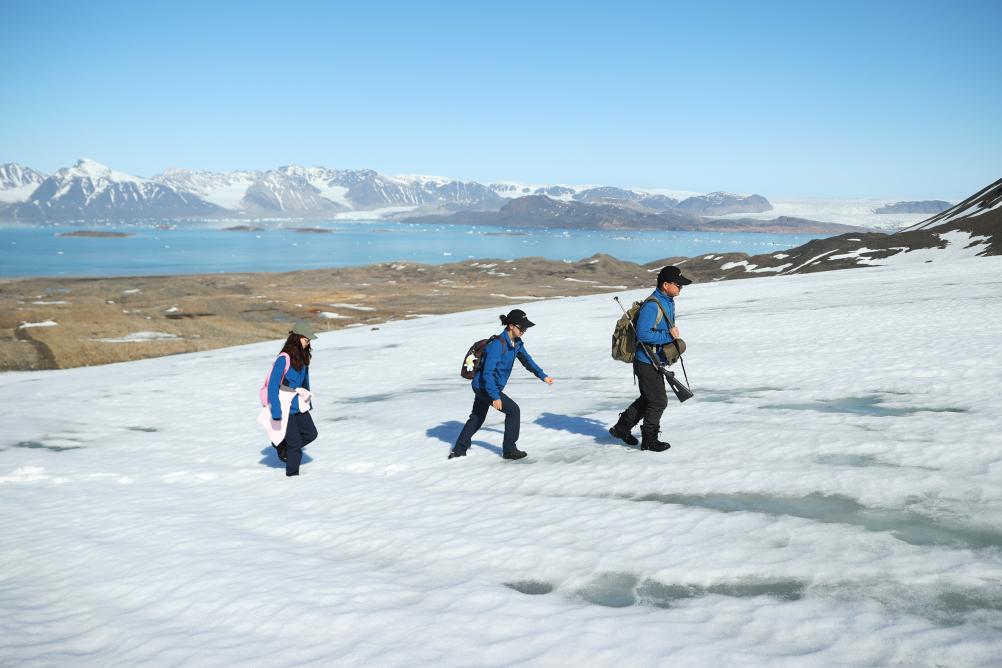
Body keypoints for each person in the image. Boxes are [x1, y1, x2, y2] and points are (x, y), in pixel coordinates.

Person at [450, 309, 554, 460]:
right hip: (484, 385)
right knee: (513, 411)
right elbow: (487, 373)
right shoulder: (498, 345)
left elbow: (527, 361)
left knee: (477, 417)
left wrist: (543, 376)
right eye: (522, 327)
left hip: (488, 386)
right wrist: (494, 396)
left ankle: (458, 450)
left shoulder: (516, 343)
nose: (524, 330)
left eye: (525, 328)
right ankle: (509, 450)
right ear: (511, 326)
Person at [609, 265, 692, 452]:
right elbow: (643, 334)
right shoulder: (653, 305)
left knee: (648, 399)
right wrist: (669, 337)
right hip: (646, 361)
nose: (681, 287)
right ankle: (649, 440)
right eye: (678, 284)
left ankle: (621, 429)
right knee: (658, 401)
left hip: (654, 360)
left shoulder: (668, 301)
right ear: (665, 284)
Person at [268, 322, 319, 476]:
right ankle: (292, 477)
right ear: (297, 338)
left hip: (299, 405)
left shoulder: (303, 358)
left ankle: (282, 445)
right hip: (285, 406)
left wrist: (308, 402)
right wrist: (276, 411)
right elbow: (272, 386)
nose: (308, 342)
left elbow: (305, 383)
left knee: (311, 434)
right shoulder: (283, 359)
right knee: (295, 444)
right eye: (307, 339)